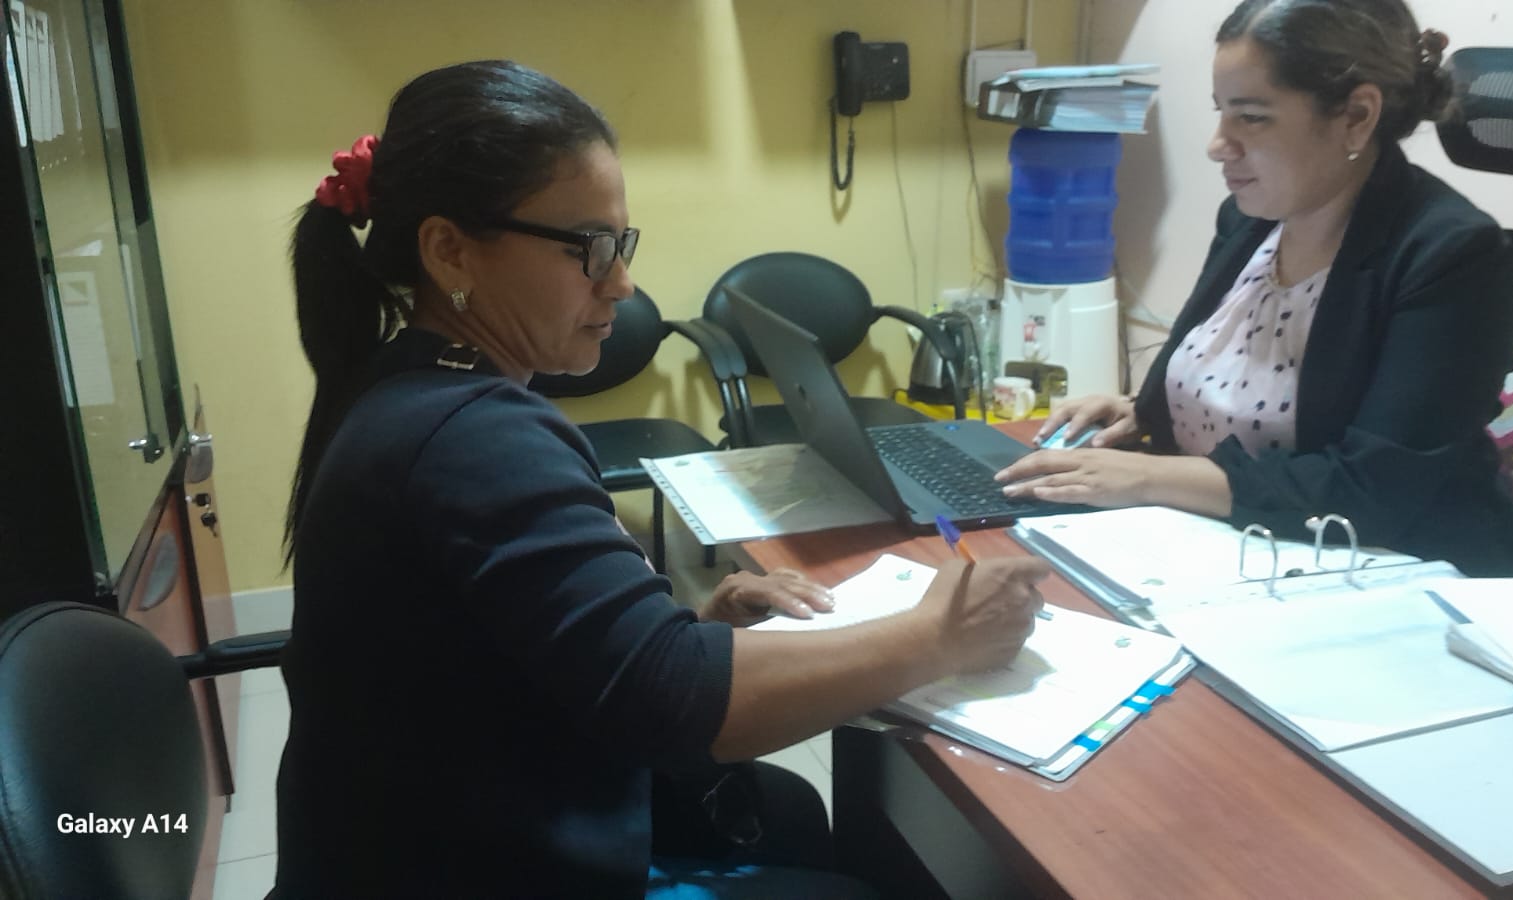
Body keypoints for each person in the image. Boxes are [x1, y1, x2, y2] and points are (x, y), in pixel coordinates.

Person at [273, 60, 1050, 899]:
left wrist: (684, 627)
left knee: (787, 811)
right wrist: (940, 637)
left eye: (621, 244)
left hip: (454, 813)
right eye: (588, 249)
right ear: (450, 251)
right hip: (465, 863)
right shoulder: (475, 438)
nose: (621, 282)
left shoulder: (411, 382)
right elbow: (670, 702)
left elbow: (500, 649)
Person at [996, 0, 1513, 576]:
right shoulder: (1249, 220)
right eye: (1222, 113)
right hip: (1229, 549)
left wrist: (1148, 475)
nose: (1218, 144)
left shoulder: (1451, 253)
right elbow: (1256, 396)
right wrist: (1144, 413)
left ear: (1357, 116)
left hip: (1409, 575)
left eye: (1252, 118)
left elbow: (1371, 489)